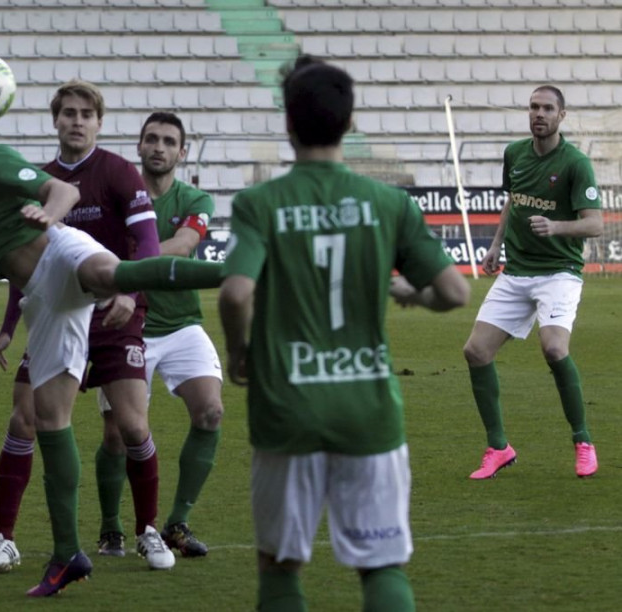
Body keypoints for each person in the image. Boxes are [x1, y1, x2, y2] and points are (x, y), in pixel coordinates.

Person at [0, 96, 220, 596]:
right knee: (46, 420)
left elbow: (63, 192)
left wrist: (47, 216)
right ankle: (67, 554)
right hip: (42, 298)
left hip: (59, 251)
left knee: (111, 273)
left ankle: (241, 275)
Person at [217, 56, 470, 612]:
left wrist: (240, 352)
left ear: (288, 122)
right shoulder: (390, 203)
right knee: (382, 567)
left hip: (287, 405)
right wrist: (414, 294)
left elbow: (235, 293)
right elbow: (455, 293)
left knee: (281, 567)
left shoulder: (260, 203)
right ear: (350, 123)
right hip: (367, 410)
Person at [0, 79, 176, 574]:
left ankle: (148, 529)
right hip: (54, 315)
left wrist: (130, 296)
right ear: (56, 120)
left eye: (86, 113)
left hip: (114, 316)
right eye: (68, 112)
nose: (77, 120)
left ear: (99, 122)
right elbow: (24, 263)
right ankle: (4, 538)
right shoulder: (37, 179)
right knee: (23, 419)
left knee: (132, 426)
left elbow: (147, 243)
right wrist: (7, 327)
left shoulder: (118, 172)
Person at [462, 85, 603, 480]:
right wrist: (495, 245)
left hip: (559, 272)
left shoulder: (576, 164)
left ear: (562, 116)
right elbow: (514, 199)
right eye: (533, 107)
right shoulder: (515, 154)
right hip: (517, 271)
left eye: (547, 108)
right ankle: (498, 448)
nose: (538, 114)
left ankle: (583, 440)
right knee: (475, 351)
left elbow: (595, 223)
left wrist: (556, 226)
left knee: (555, 347)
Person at [128, 111, 224, 557]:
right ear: (140, 146)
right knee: (122, 433)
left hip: (183, 324)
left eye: (169, 141)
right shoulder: (119, 193)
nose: (159, 147)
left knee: (210, 412)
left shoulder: (196, 199)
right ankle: (113, 528)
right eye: (152, 139)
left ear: (182, 152)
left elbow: (184, 247)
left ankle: (177, 523)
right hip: (130, 325)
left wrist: (124, 261)